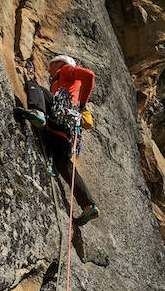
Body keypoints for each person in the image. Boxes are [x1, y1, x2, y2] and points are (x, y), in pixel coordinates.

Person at [16, 54, 101, 225]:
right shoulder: (59, 83)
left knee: (35, 86)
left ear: (61, 63)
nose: (50, 70)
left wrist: (83, 105)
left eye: (52, 66)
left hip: (60, 116)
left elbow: (89, 76)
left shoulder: (66, 70)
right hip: (63, 132)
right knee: (65, 164)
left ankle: (38, 112)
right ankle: (88, 204)